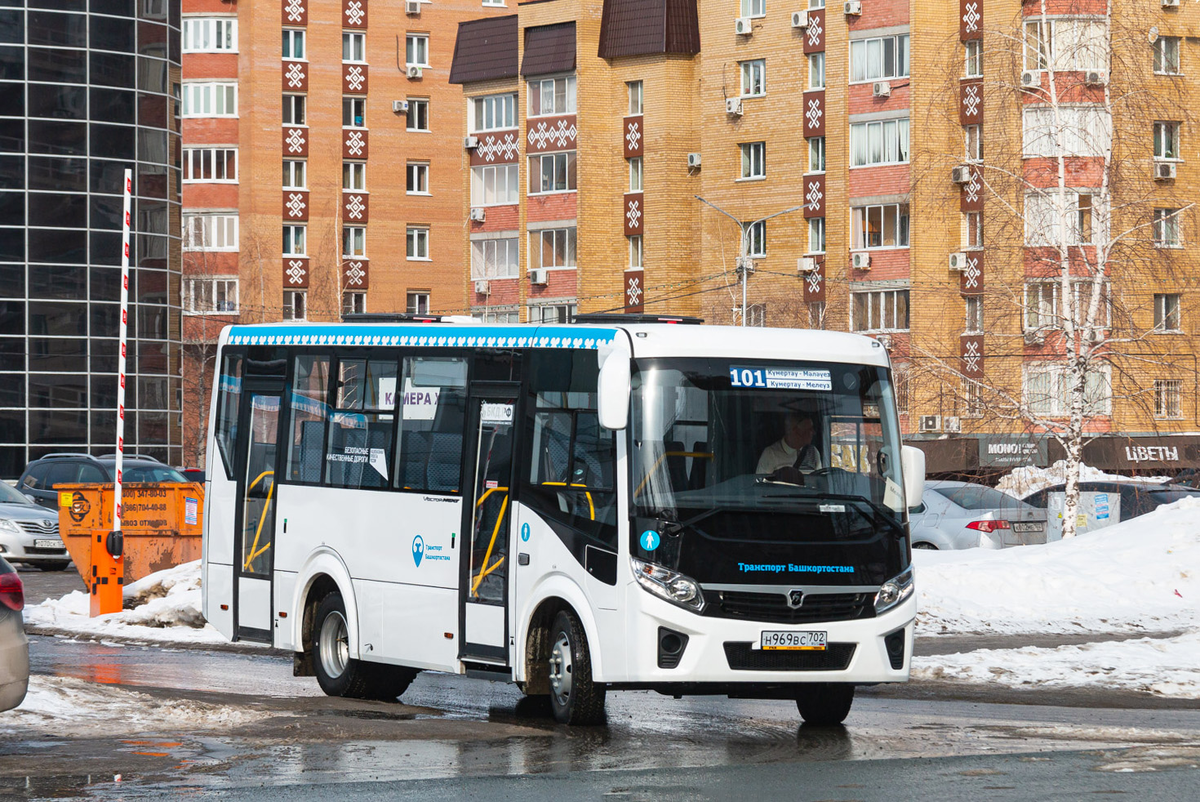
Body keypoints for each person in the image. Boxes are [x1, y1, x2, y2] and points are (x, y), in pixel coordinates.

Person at [756, 412, 822, 474]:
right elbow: (760, 481)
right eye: (809, 429)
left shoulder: (813, 452)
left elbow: (819, 479)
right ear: (796, 431)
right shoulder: (770, 454)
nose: (813, 432)